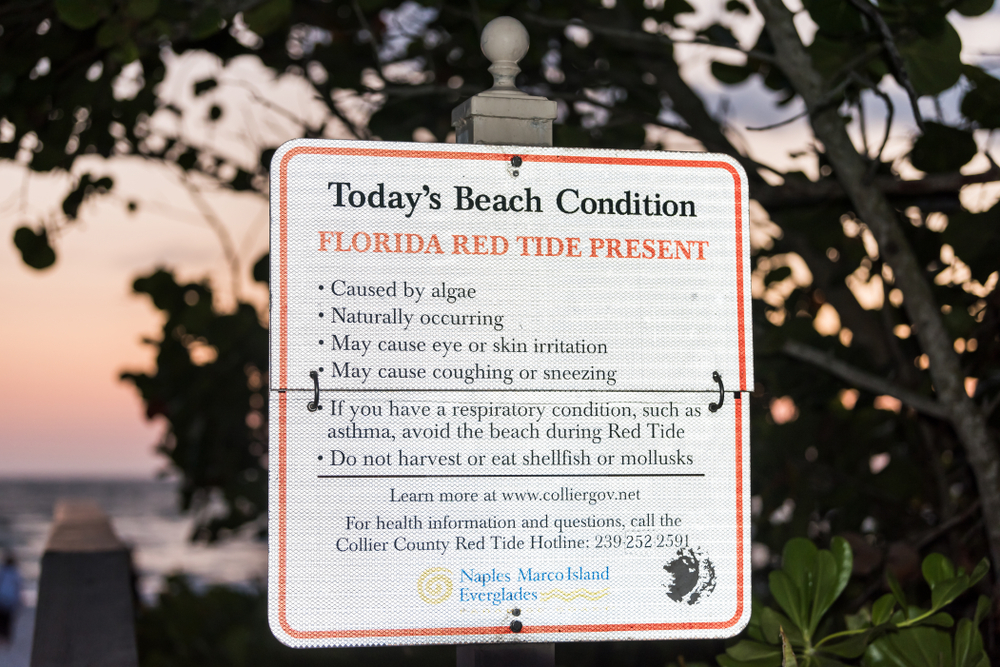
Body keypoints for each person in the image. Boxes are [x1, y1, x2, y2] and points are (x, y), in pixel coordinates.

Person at [0, 553, 21, 646]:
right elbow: (18, 587)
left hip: (2, 599)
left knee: (2, 620)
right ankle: (6, 639)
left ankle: (2, 638)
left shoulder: (2, 571)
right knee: (8, 621)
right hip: (11, 600)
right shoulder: (15, 573)